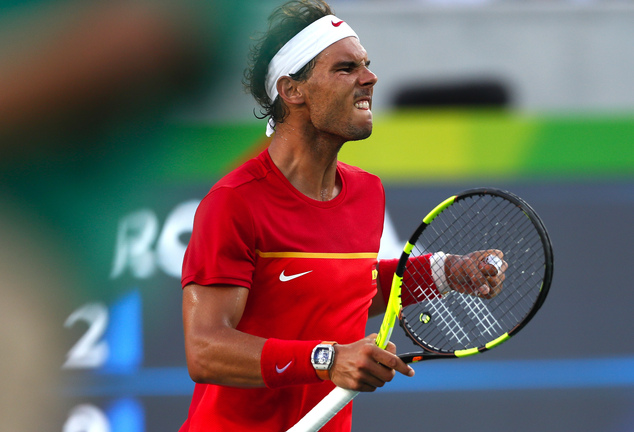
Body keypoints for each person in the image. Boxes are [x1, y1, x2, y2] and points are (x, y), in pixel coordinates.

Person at [179, 1, 504, 431]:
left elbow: (341, 294)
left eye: (367, 65)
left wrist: (447, 272)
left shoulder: (368, 192)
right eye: (346, 68)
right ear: (292, 90)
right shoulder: (235, 203)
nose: (370, 78)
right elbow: (205, 350)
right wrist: (329, 359)